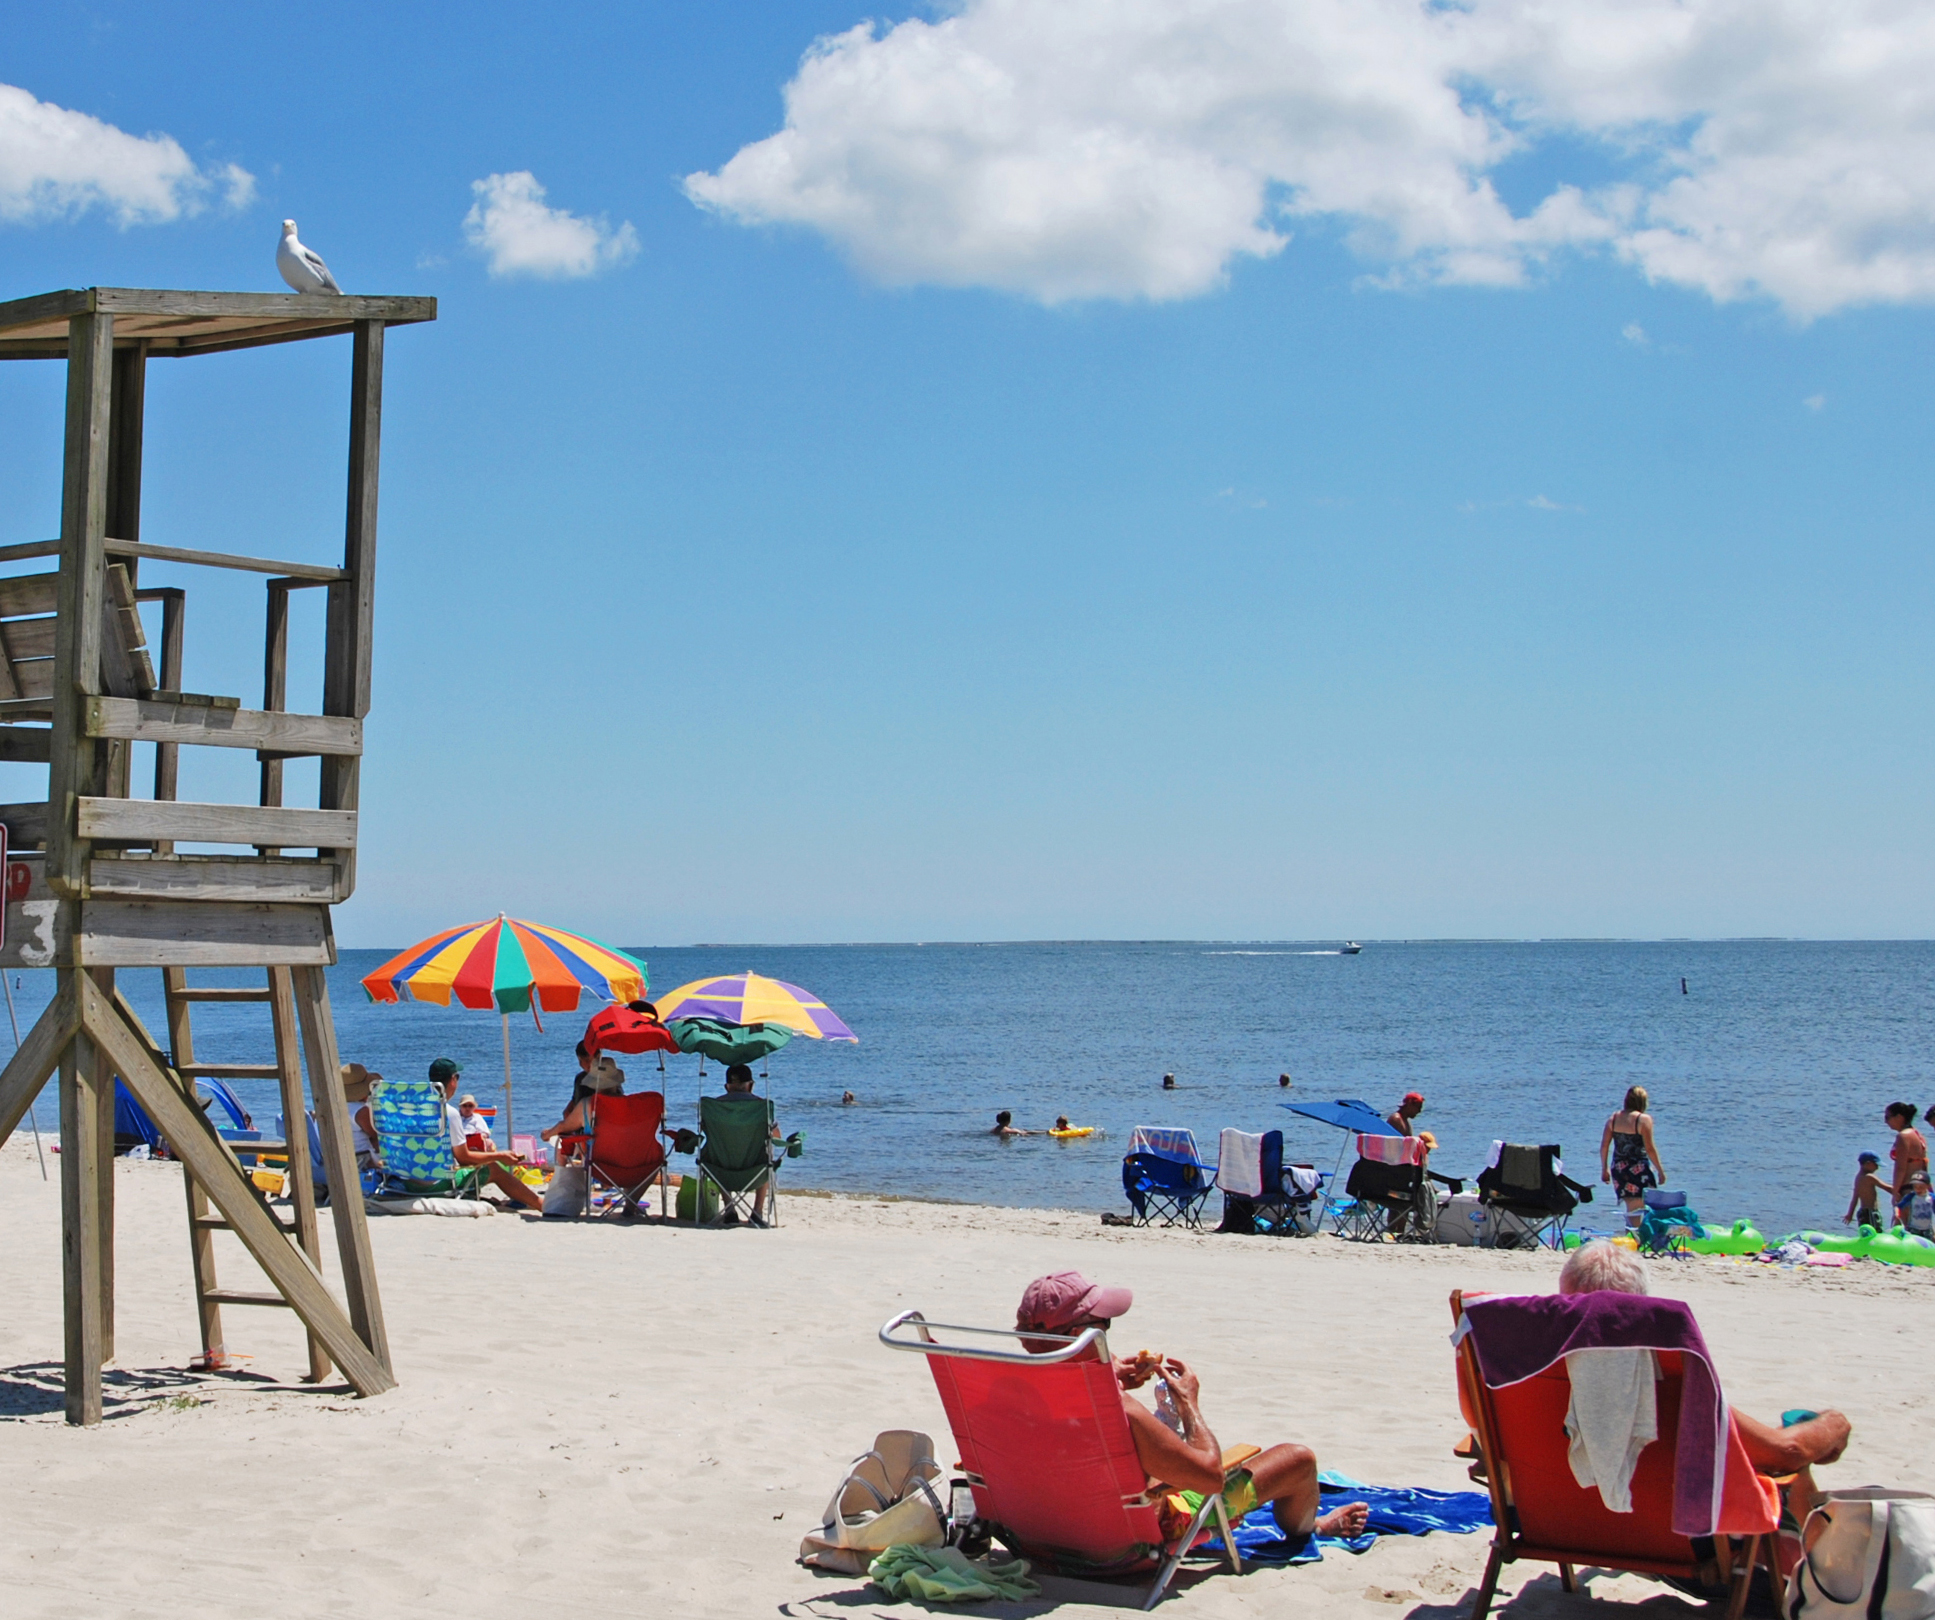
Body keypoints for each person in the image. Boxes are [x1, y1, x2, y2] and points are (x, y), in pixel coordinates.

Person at [1015, 1272, 1369, 1550]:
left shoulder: (1008, 1394)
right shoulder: (1117, 1410)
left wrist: (1108, 1375)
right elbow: (1209, 1478)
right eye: (1104, 1325)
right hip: (1125, 1543)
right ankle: (1315, 1527)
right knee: (1298, 1459)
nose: (1108, 1331)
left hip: (1042, 1537)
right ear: (1081, 1334)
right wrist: (1188, 1406)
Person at [1558, 1243, 1850, 1513]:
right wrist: (1833, 1424)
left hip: (1564, 1528)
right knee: (1795, 1462)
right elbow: (1786, 1452)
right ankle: (1820, 1567)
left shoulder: (1534, 1379)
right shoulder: (1669, 1378)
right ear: (1643, 1305)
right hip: (1682, 1535)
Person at [431, 1058, 541, 1211]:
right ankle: (542, 1205)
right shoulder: (449, 1113)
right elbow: (464, 1158)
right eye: (457, 1077)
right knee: (494, 1168)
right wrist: (499, 1156)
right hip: (437, 1184)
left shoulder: (413, 1110)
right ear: (452, 1081)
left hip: (407, 1182)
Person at [719, 1063, 782, 1225]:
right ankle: (757, 1211)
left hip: (720, 1171)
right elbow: (777, 1137)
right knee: (768, 1153)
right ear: (751, 1085)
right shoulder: (762, 1107)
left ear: (727, 1087)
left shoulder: (714, 1106)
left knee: (716, 1151)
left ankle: (729, 1209)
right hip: (755, 1171)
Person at [1599, 1086, 1666, 1232]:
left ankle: (1632, 1235)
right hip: (1638, 1169)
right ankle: (1638, 1238)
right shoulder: (1643, 1120)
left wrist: (1604, 1169)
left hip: (1619, 1168)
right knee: (1643, 1204)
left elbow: (1604, 1145)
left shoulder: (1614, 1118)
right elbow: (1649, 1148)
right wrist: (1660, 1170)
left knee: (1632, 1205)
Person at [542, 1058, 624, 1157]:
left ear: (593, 1083)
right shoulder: (630, 1104)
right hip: (631, 1163)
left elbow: (563, 1127)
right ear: (617, 1081)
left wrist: (546, 1135)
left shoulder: (587, 1104)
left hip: (599, 1166)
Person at [1885, 1102, 1928, 1230]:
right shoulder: (1917, 1134)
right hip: (1921, 1187)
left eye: (1888, 1117)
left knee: (1909, 1228)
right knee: (1923, 1228)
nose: (1886, 1122)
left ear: (1899, 1117)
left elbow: (1901, 1167)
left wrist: (1895, 1192)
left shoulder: (1903, 1136)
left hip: (1907, 1188)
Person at [342, 1063, 384, 1174]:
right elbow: (377, 1135)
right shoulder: (360, 1111)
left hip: (341, 1158)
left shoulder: (333, 1107)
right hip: (363, 1161)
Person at [1844, 1151, 1885, 1229]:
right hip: (1870, 1213)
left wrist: (1850, 1214)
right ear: (1868, 1164)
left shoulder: (1858, 1178)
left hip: (1862, 1213)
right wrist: (1901, 1191)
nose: (1877, 1167)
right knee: (1875, 1233)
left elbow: (1855, 1198)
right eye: (1876, 1165)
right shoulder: (1869, 1177)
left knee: (1866, 1233)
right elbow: (1887, 1188)